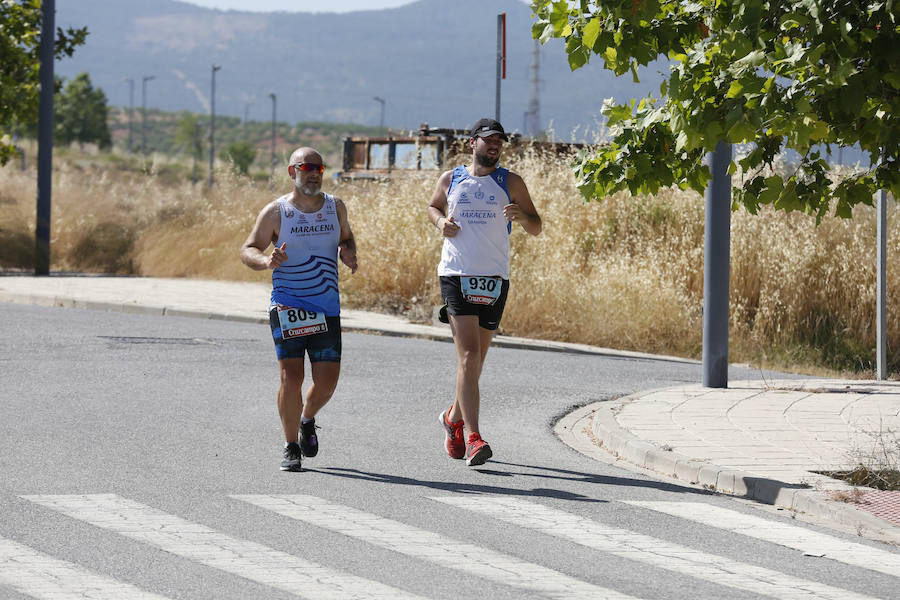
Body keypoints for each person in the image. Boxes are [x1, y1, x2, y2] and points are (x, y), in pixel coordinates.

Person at [427, 118, 542, 467]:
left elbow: (536, 226)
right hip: (456, 273)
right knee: (468, 357)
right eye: (489, 140)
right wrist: (440, 222)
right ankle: (474, 437)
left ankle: (453, 419)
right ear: (472, 142)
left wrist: (522, 217)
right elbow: (433, 206)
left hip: (494, 277)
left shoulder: (511, 182)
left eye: (499, 142)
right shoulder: (451, 178)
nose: (494, 145)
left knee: (476, 362)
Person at [241, 147, 358, 472]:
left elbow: (347, 238)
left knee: (327, 383)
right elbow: (248, 249)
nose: (314, 174)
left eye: (319, 168)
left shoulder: (335, 207)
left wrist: (348, 252)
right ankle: (291, 445)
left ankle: (307, 418)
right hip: (287, 305)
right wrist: (266, 261)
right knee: (291, 377)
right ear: (292, 172)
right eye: (307, 168)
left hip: (326, 307)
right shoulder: (276, 212)